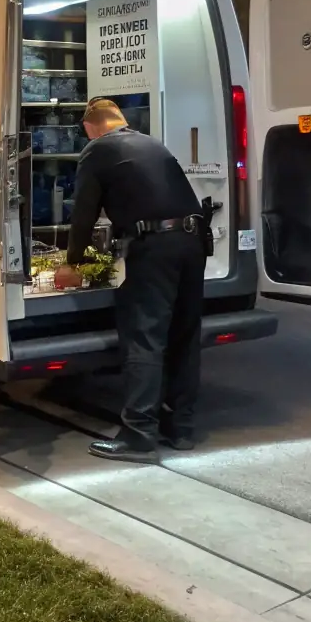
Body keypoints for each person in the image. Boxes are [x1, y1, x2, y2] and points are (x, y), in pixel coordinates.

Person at [55, 97, 210, 463]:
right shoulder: (151, 143)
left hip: (156, 247)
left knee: (144, 336)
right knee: (183, 335)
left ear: (91, 127)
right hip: (193, 242)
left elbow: (84, 213)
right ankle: (181, 429)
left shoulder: (97, 151)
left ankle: (139, 435)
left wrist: (72, 262)